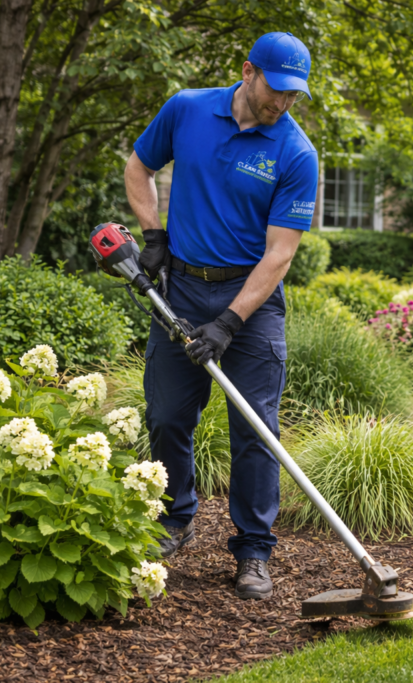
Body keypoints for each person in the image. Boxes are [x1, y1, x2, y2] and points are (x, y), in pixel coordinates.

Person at [124, 32, 319, 600]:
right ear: (248, 71)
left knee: (255, 429)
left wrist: (229, 322)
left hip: (251, 305)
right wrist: (153, 235)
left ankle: (254, 550)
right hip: (181, 290)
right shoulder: (186, 108)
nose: (281, 103)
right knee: (166, 415)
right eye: (275, 89)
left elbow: (280, 253)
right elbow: (139, 168)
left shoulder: (296, 153)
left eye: (293, 95)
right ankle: (173, 518)